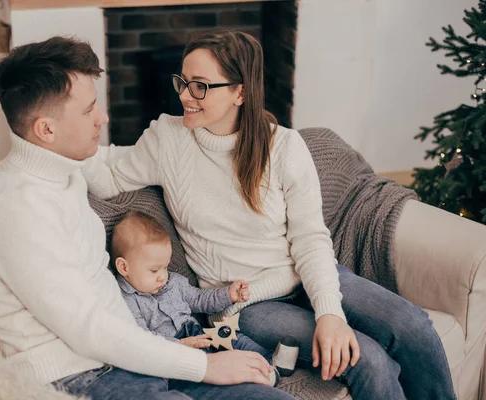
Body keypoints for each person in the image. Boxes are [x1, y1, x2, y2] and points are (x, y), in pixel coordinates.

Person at [83, 30, 457, 400]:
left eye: (200, 86)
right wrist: (49, 142)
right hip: (245, 305)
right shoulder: (168, 139)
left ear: (240, 92)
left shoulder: (283, 146)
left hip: (302, 276)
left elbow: (310, 238)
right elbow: (109, 174)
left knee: (413, 325)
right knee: (367, 359)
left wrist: (329, 312)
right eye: (182, 81)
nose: (184, 95)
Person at [0, 35, 296, 400]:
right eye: (89, 109)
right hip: (79, 376)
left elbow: (113, 162)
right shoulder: (18, 211)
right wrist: (207, 367)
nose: (103, 118)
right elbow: (89, 330)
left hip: (132, 355)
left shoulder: (63, 169)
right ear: (46, 129)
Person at [110, 211, 280, 386]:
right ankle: (252, 377)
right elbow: (142, 339)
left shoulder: (173, 283)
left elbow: (200, 299)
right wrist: (179, 345)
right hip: (177, 351)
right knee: (210, 369)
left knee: (235, 337)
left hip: (201, 333)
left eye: (165, 267)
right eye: (154, 270)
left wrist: (228, 294)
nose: (162, 276)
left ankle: (269, 366)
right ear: (124, 267)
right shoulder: (125, 301)